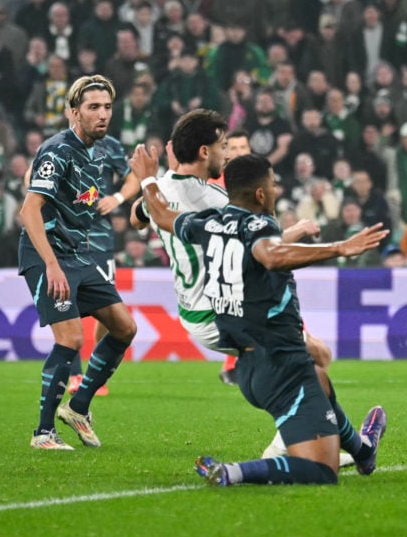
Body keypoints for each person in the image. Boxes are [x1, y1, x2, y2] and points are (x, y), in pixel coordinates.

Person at [132, 147, 389, 485]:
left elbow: (163, 216)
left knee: (321, 377)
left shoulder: (209, 222)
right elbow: (270, 254)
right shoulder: (260, 224)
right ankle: (233, 472)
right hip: (283, 366)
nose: (276, 191)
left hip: (251, 369)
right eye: (272, 185)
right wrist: (340, 247)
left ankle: (363, 449)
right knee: (322, 472)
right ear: (259, 193)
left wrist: (148, 179)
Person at [18, 75, 138, 450]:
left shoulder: (101, 151)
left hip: (79, 254)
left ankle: (79, 407)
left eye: (107, 107)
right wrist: (51, 265)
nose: (103, 114)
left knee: (124, 328)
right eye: (93, 108)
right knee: (70, 338)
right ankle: (43, 433)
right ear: (74, 112)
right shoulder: (56, 151)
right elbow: (28, 210)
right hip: (47, 255)